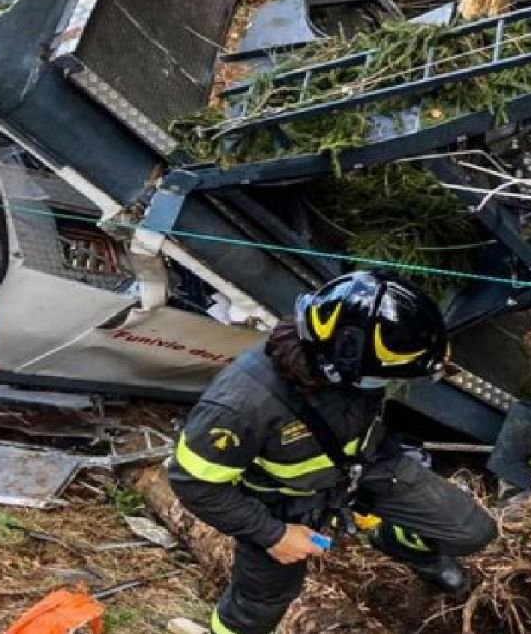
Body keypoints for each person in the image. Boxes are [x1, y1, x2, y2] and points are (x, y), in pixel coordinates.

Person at [168, 271, 498, 634]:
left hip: (366, 465)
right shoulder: (240, 406)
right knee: (261, 603)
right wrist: (273, 534)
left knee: (470, 531)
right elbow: (194, 483)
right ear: (341, 364)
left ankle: (399, 542)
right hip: (283, 502)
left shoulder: (352, 355)